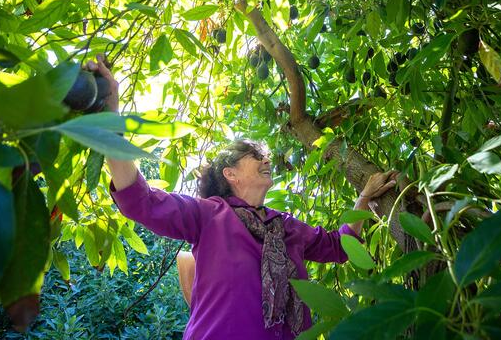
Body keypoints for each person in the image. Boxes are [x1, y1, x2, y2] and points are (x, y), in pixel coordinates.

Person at [86, 55, 397, 339]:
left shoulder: (286, 227)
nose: (266, 161)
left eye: (264, 156)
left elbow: (337, 246)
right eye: (254, 156)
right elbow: (140, 201)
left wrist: (365, 199)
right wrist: (110, 112)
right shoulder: (208, 215)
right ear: (230, 174)